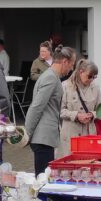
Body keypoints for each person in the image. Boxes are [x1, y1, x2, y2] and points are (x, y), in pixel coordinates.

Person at [24, 46, 75, 174]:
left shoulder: (50, 76)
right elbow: (37, 106)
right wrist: (27, 134)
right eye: (72, 64)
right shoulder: (51, 78)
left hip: (44, 137)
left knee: (44, 178)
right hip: (43, 138)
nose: (72, 69)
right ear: (64, 62)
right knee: (43, 180)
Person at [58, 59, 101, 157]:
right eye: (89, 76)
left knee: (87, 166)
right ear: (81, 71)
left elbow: (100, 109)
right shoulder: (65, 86)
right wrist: (77, 115)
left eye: (94, 77)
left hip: (89, 134)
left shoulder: (96, 87)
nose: (92, 79)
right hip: (71, 135)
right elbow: (60, 111)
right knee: (70, 167)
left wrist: (92, 114)